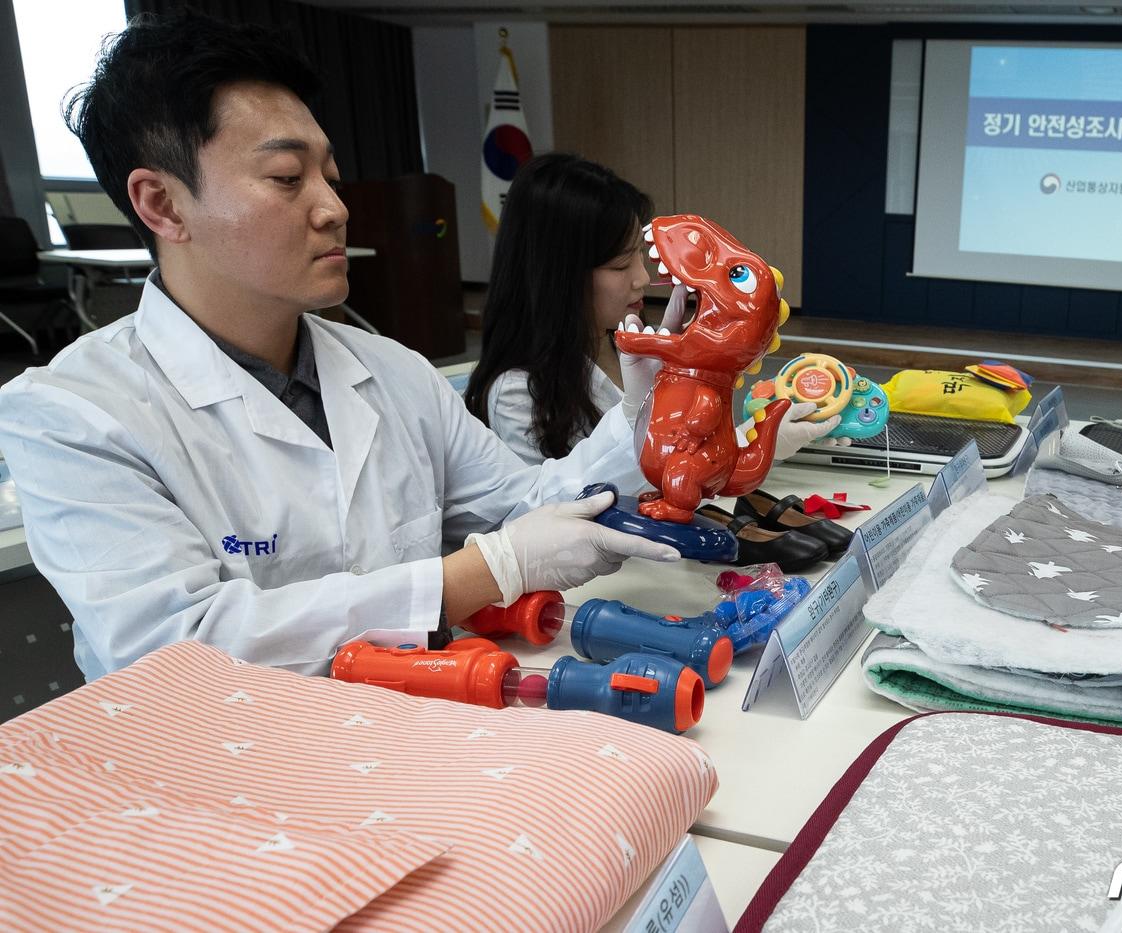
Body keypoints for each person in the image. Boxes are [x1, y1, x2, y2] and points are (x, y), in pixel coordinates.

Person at [0, 12, 677, 682]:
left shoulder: (391, 370)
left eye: (329, 173)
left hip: (413, 736)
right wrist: (477, 573)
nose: (334, 206)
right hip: (222, 770)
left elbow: (525, 508)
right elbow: (176, 651)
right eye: (288, 179)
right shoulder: (72, 414)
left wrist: (648, 418)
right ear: (163, 204)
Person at [465, 153, 842, 466]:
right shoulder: (520, 393)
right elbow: (561, 507)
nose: (641, 278)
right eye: (619, 264)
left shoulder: (627, 340)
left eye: (640, 257)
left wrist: (762, 438)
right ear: (555, 274)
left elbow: (690, 453)